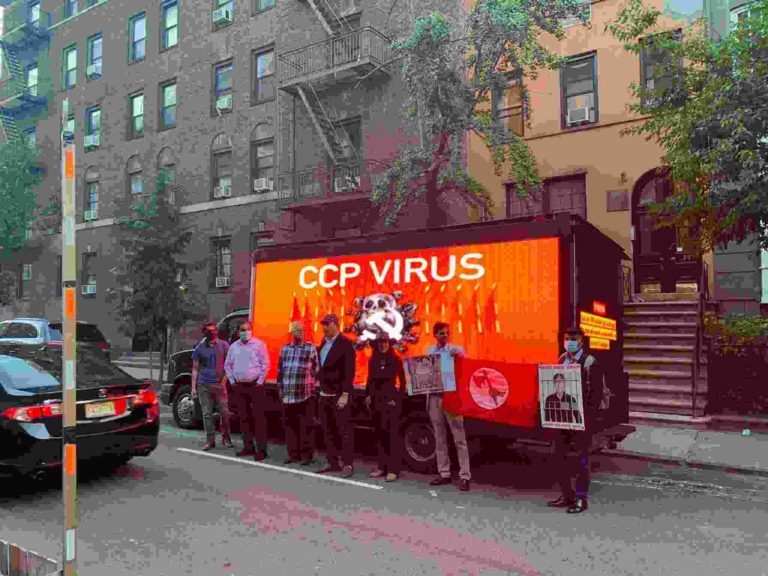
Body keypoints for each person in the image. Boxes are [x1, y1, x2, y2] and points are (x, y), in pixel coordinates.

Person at [546, 326, 602, 514]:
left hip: (582, 420)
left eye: (574, 338)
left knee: (581, 459)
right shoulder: (562, 359)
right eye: (567, 337)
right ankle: (567, 495)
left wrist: (588, 420)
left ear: (581, 341)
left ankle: (580, 498)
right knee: (558, 456)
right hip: (562, 419)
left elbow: (596, 395)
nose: (569, 341)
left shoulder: (589, 362)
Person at [426, 322, 471, 492]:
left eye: (447, 333)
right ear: (435, 335)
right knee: (439, 437)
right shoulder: (430, 351)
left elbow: (467, 367)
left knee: (459, 438)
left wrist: (460, 356)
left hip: (452, 397)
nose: (445, 336)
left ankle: (465, 476)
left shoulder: (456, 350)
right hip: (435, 397)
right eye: (441, 333)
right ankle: (444, 473)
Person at [315, 313, 356, 478]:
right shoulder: (323, 343)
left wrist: (345, 393)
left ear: (335, 324)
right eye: (323, 324)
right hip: (324, 393)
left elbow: (349, 370)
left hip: (340, 394)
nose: (324, 327)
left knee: (344, 431)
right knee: (327, 429)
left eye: (327, 324)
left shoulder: (346, 343)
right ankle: (332, 461)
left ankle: (347, 463)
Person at [224, 320, 271, 461]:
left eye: (248, 329)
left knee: (259, 418)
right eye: (242, 330)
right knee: (244, 417)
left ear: (252, 330)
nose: (245, 332)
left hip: (255, 386)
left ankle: (262, 450)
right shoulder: (233, 347)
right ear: (238, 332)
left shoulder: (259, 345)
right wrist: (232, 381)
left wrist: (260, 382)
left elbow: (265, 365)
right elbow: (227, 365)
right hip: (239, 386)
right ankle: (248, 447)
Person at [277, 321, 319, 466]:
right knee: (290, 427)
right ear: (291, 333)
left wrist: (314, 390)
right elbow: (280, 371)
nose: (299, 332)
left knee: (306, 427)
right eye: (296, 330)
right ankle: (293, 454)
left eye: (301, 330)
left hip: (305, 395)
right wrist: (280, 389)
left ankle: (307, 456)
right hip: (288, 395)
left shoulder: (311, 348)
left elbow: (317, 370)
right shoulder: (285, 349)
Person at [365, 337, 407, 482]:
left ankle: (393, 469)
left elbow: (403, 382)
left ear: (389, 344)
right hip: (376, 401)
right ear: (377, 345)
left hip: (390, 401)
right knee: (380, 434)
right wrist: (368, 395)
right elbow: (370, 379)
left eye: (385, 343)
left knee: (392, 436)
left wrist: (397, 399)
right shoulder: (373, 360)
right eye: (381, 343)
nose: (383, 345)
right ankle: (381, 467)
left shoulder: (396, 360)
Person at [191, 320, 232, 451]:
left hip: (220, 384)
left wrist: (225, 379)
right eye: (209, 331)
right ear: (205, 332)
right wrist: (193, 387)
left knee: (225, 412)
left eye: (214, 330)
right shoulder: (200, 347)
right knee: (207, 414)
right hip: (204, 384)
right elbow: (195, 368)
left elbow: (230, 363)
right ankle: (210, 440)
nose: (213, 333)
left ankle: (226, 437)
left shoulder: (224, 345)